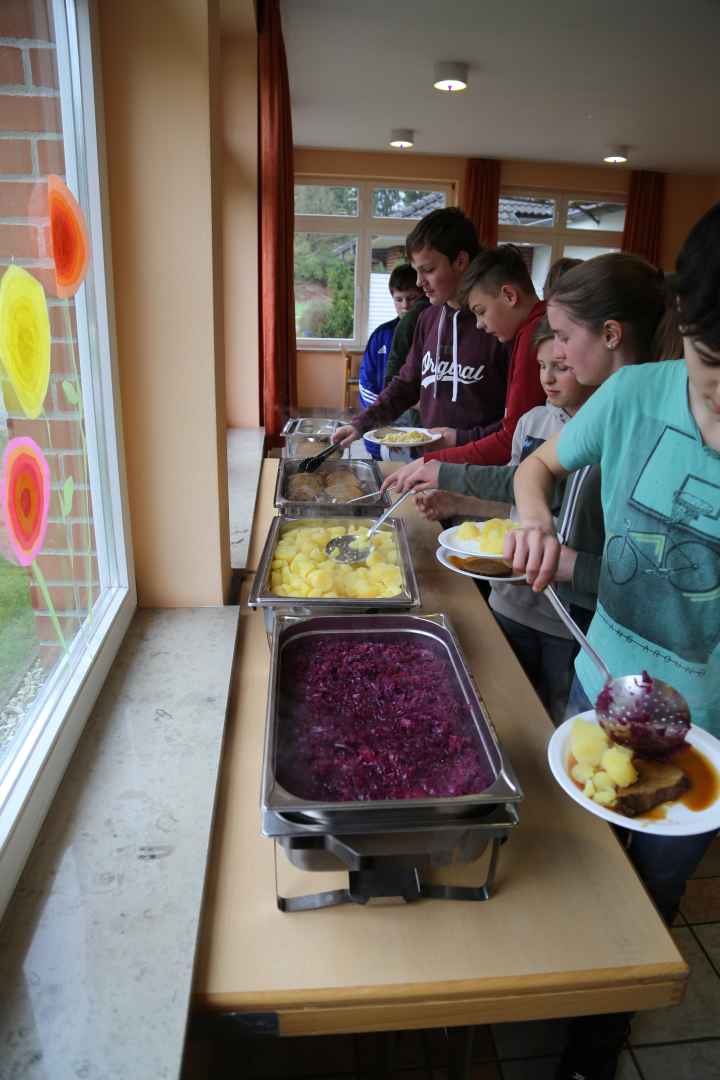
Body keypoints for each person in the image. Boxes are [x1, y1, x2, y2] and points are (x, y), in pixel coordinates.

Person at [505, 230, 720, 1080]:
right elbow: (538, 470)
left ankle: (592, 1049)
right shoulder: (634, 393)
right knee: (577, 869)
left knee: (650, 902)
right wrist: (534, 521)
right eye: (712, 371)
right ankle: (549, 996)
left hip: (709, 734)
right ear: (684, 329)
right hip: (599, 687)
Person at [421, 319, 595, 721]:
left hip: (562, 617)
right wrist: (455, 504)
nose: (547, 378)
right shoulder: (533, 422)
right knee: (502, 703)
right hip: (508, 599)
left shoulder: (600, 433)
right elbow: (513, 504)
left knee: (554, 713)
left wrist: (450, 478)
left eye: (561, 367)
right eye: (540, 366)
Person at [331, 208, 508, 455]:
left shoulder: (499, 324)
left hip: (481, 470)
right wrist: (361, 424)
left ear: (460, 261)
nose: (418, 282)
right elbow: (406, 384)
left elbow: (517, 423)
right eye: (416, 271)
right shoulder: (428, 319)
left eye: (428, 270)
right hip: (432, 463)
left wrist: (460, 439)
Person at [384, 244, 546, 493]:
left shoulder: (535, 337)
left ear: (509, 296)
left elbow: (514, 438)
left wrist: (434, 462)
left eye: (481, 312)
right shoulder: (527, 331)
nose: (479, 325)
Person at [357, 264, 424, 459]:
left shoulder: (435, 332)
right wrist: (381, 428)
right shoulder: (381, 335)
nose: (405, 305)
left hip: (425, 430)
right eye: (399, 299)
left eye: (412, 298)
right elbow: (366, 385)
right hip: (388, 427)